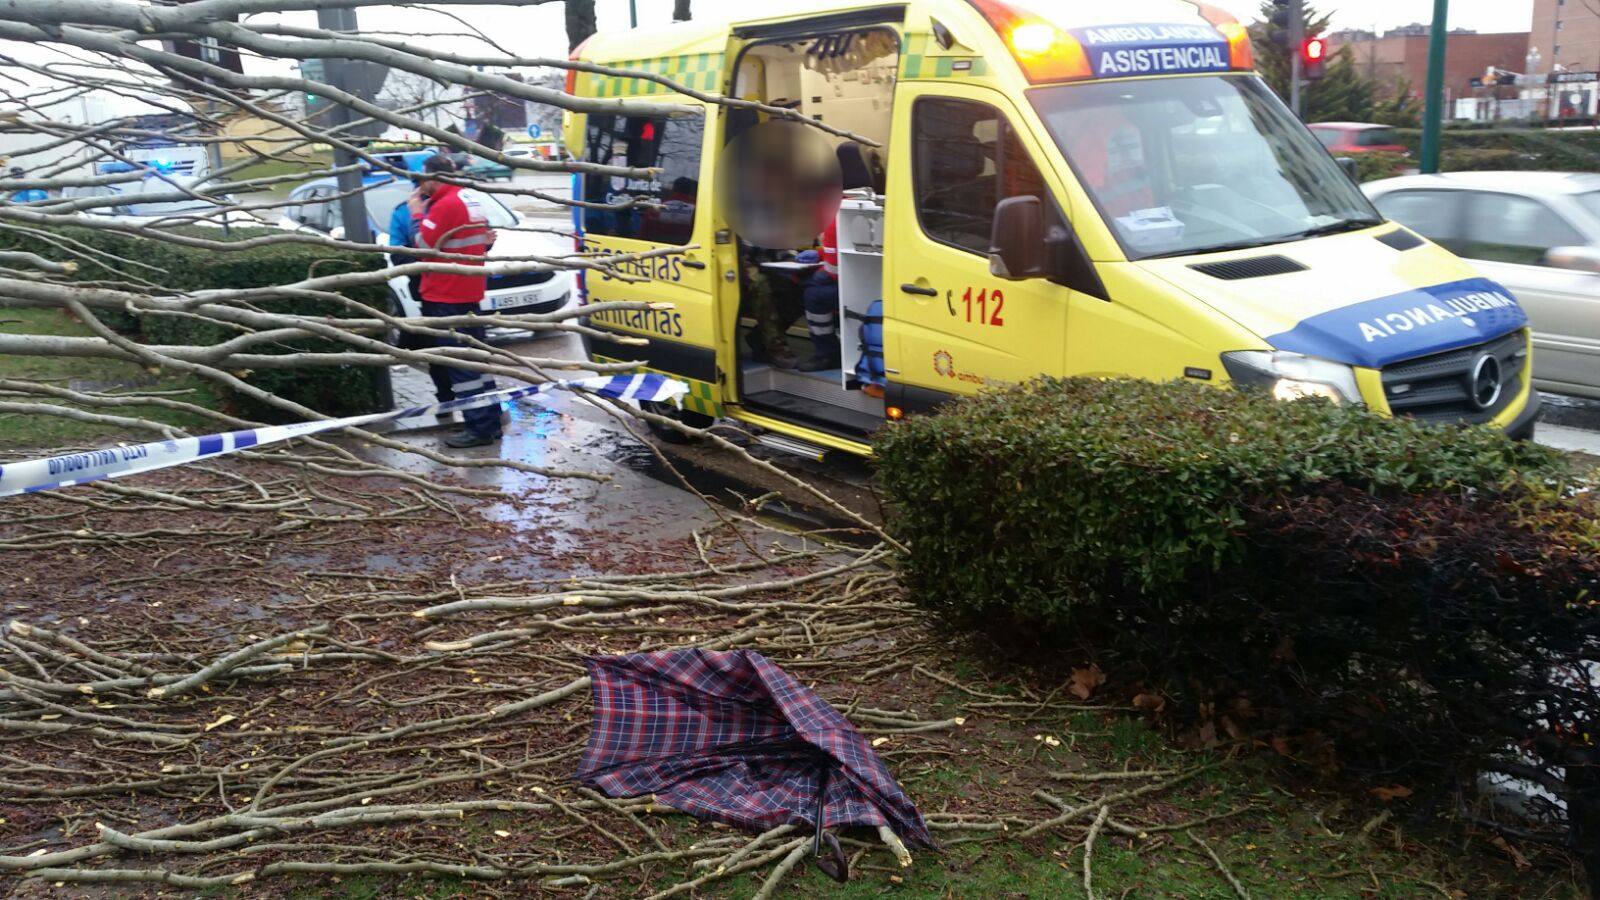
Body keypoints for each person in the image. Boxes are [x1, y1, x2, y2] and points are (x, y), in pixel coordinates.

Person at [413, 153, 501, 448]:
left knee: (461, 366)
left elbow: (424, 249)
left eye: (423, 178)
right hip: (469, 291)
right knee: (477, 362)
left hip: (446, 294)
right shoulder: (469, 199)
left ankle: (479, 429)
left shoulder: (444, 205)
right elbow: (487, 238)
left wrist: (417, 213)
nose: (420, 184)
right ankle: (491, 422)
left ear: (435, 177)